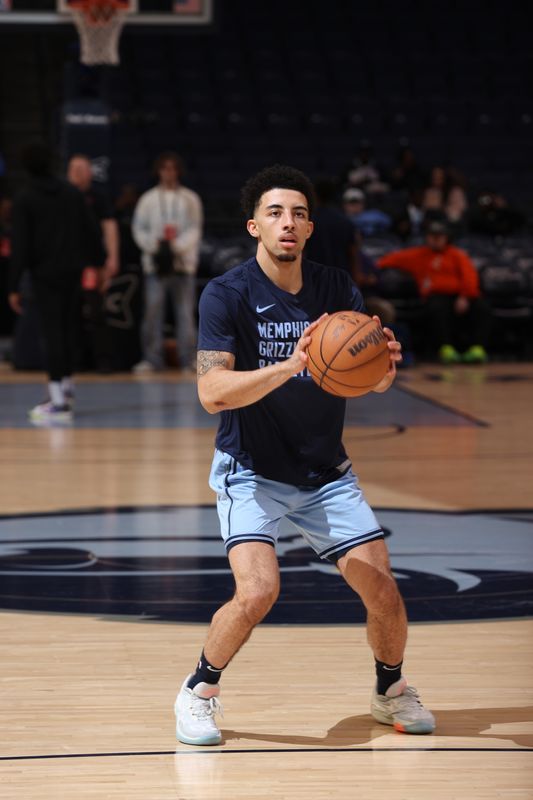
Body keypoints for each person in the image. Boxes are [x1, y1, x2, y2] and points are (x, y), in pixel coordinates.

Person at [174, 164, 435, 746]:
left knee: (384, 591)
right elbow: (211, 394)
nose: (286, 223)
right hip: (251, 470)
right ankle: (197, 691)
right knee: (259, 590)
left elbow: (372, 382)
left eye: (296, 214)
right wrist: (293, 365)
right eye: (274, 213)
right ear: (254, 226)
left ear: (311, 228)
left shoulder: (336, 287)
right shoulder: (227, 294)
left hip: (324, 472)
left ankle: (389, 688)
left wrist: (382, 367)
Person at [8, 143, 102, 423]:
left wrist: (13, 285)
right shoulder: (72, 192)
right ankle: (66, 389)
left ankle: (59, 403)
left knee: (52, 334)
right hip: (73, 271)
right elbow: (90, 230)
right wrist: (97, 262)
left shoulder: (25, 198)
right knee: (68, 329)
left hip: (45, 275)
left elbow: (21, 245)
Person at [378, 218, 491, 364]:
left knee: (482, 307)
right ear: (427, 237)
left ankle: (477, 349)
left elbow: (470, 276)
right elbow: (388, 260)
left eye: (440, 236)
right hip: (436, 296)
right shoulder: (417, 255)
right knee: (436, 308)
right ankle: (446, 349)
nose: (436, 239)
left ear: (446, 237)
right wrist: (373, 267)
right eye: (432, 236)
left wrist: (465, 296)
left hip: (460, 295)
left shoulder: (457, 255)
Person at [131, 151, 203, 373]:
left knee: (185, 314)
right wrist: (156, 247)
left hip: (183, 264)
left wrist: (175, 247)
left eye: (172, 168)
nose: (168, 173)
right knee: (153, 312)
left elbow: (194, 228)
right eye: (165, 168)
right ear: (159, 171)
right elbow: (138, 228)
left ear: (178, 171)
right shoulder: (148, 199)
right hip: (155, 265)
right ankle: (152, 359)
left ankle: (188, 359)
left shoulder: (190, 198)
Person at [67, 154, 120, 372]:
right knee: (69, 314)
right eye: (74, 169)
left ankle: (103, 360)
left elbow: (109, 228)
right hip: (67, 266)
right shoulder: (63, 196)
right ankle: (75, 360)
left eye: (82, 168)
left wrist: (112, 257)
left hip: (92, 265)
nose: (78, 173)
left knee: (97, 313)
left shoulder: (98, 197)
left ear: (90, 172)